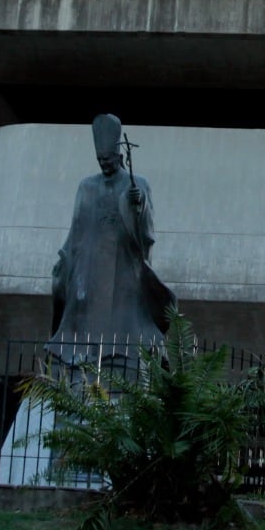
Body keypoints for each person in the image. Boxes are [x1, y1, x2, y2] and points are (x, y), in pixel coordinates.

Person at [48, 114, 174, 366]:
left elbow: (146, 232)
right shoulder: (87, 186)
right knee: (85, 311)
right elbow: (78, 228)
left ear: (119, 155)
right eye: (100, 160)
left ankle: (126, 356)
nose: (104, 164)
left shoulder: (137, 183)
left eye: (108, 158)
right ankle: (84, 355)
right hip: (92, 264)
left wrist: (138, 206)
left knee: (125, 315)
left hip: (124, 263)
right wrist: (68, 259)